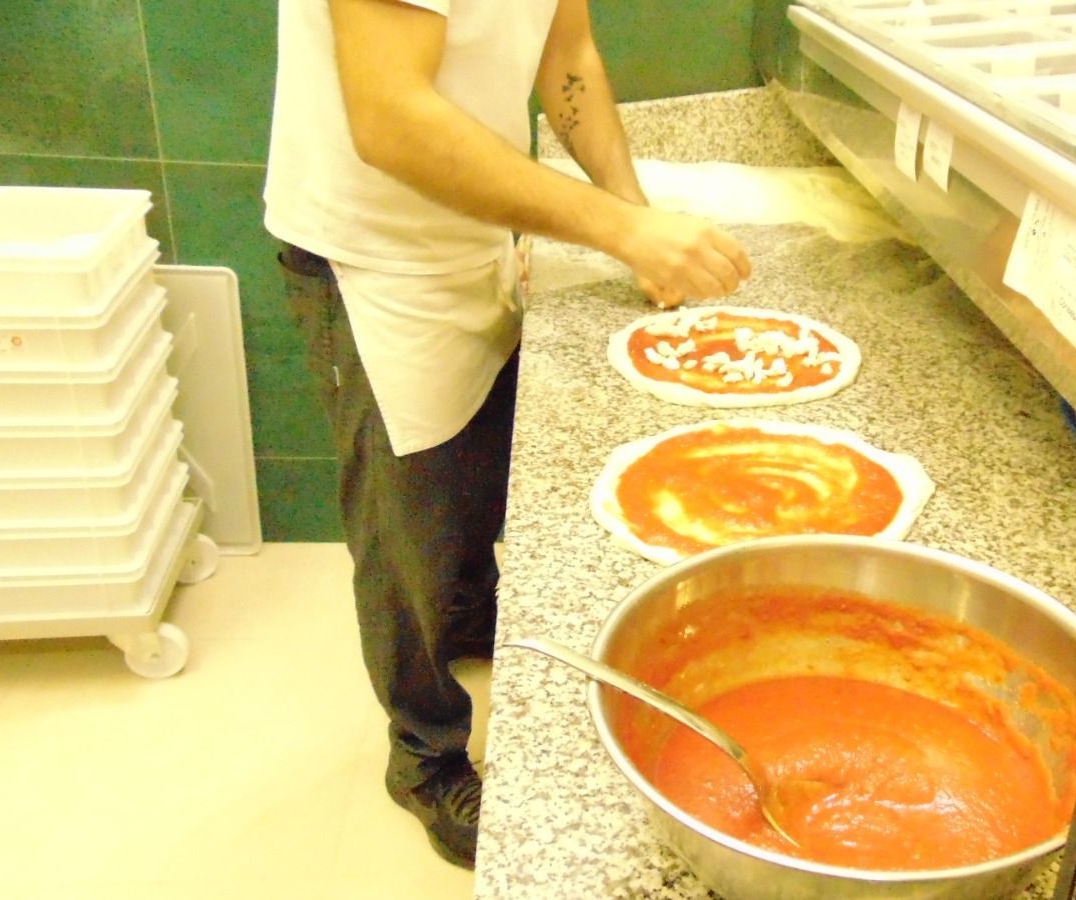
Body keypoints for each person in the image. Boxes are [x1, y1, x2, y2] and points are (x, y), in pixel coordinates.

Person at [262, 0, 752, 869]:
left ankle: (474, 616)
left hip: (480, 223)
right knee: (406, 526)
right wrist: (621, 229)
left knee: (478, 477)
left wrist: (633, 220)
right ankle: (422, 751)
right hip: (377, 257)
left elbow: (569, 51)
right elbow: (390, 118)